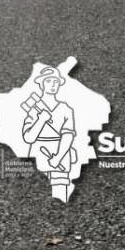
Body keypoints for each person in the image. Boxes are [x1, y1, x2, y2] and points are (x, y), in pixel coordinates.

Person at [22, 67, 77, 202]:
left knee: (59, 195)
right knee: (34, 195)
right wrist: (41, 120)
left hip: (60, 153)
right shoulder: (33, 109)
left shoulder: (65, 109)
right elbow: (28, 137)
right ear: (41, 84)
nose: (52, 85)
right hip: (37, 152)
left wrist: (58, 157)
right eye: (48, 81)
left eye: (55, 82)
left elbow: (68, 135)